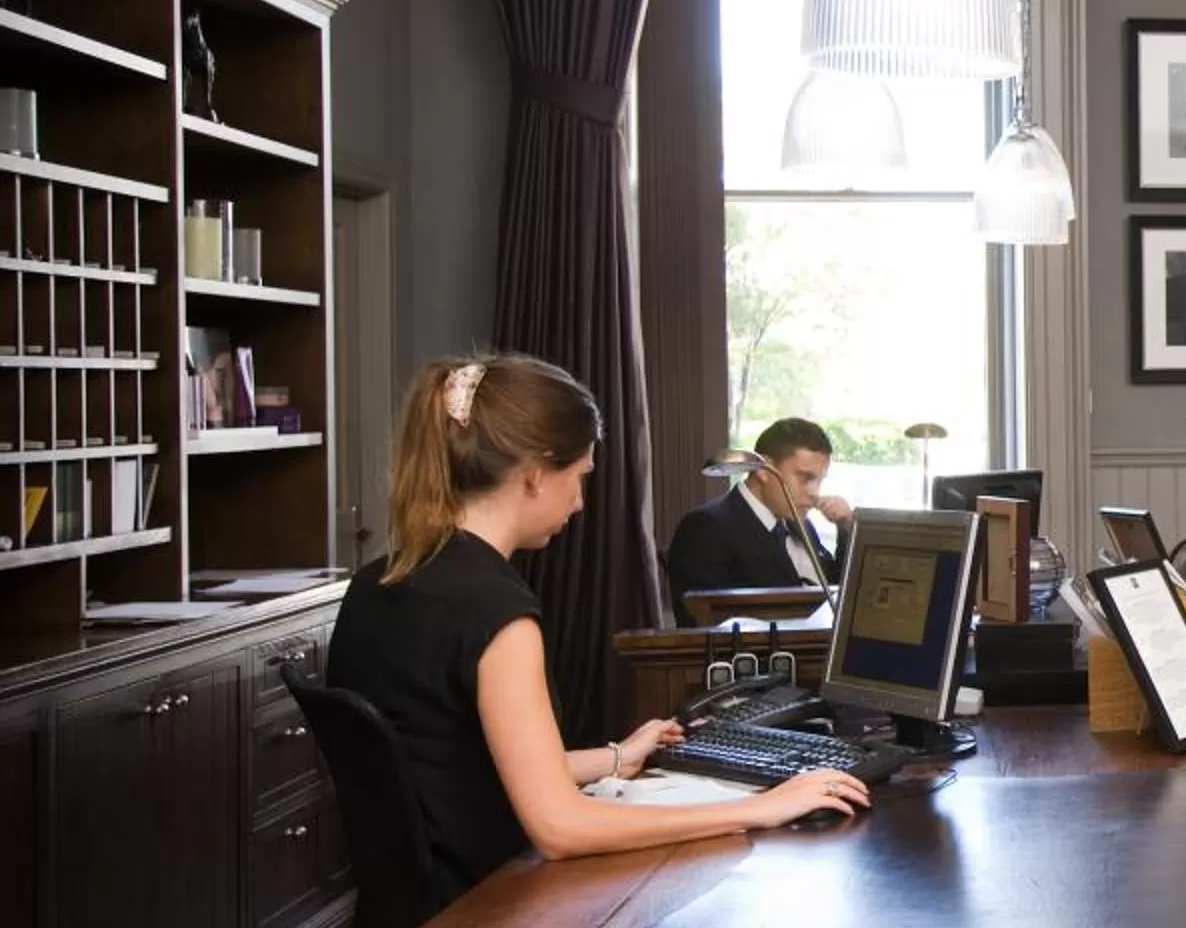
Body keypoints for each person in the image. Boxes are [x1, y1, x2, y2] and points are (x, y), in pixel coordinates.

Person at [324, 355, 867, 893]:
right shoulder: (495, 612)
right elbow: (561, 828)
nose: (581, 502)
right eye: (580, 475)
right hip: (479, 916)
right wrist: (760, 806)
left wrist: (615, 757)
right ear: (535, 473)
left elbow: (450, 762)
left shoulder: (379, 581)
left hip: (401, 918)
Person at [664, 416, 855, 614]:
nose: (814, 492)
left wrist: (846, 529)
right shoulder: (705, 528)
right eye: (805, 478)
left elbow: (837, 593)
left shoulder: (799, 525)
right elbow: (707, 622)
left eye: (819, 480)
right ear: (764, 470)